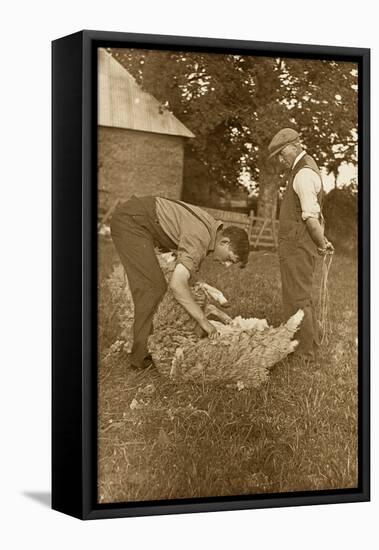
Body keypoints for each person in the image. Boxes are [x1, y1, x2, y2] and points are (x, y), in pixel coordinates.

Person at [110, 195, 249, 370]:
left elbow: (186, 270)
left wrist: (205, 289)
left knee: (161, 283)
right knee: (152, 288)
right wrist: (204, 322)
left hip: (142, 220)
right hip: (131, 222)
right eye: (230, 258)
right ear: (225, 242)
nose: (227, 265)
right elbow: (177, 285)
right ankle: (140, 359)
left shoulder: (210, 229)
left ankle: (150, 340)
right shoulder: (200, 238)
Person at [267, 128, 334, 361]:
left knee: (298, 298)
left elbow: (311, 218)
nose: (279, 159)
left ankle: (306, 353)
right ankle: (305, 345)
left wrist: (322, 243)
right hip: (297, 245)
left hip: (298, 246)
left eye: (280, 153)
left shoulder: (303, 174)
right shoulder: (303, 169)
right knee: (299, 296)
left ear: (293, 146)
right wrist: (321, 241)